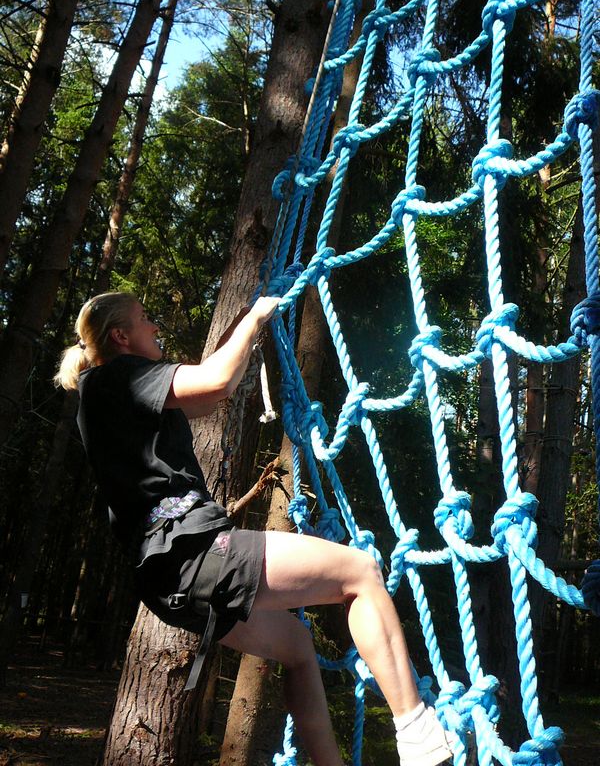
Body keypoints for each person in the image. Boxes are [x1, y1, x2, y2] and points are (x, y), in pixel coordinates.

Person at [55, 290, 455, 766]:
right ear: (121, 336)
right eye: (146, 320)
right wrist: (260, 316)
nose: (155, 328)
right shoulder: (118, 377)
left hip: (167, 580)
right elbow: (217, 382)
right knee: (361, 572)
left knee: (298, 646)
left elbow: (201, 398)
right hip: (194, 552)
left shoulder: (107, 392)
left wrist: (243, 326)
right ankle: (417, 733)